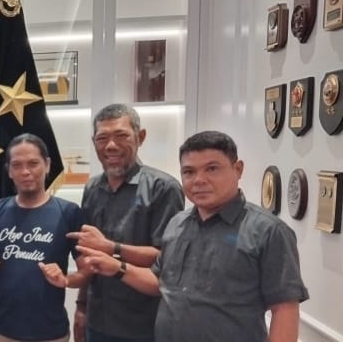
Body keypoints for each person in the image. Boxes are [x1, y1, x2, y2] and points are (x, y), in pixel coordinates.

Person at [78, 130, 309, 342]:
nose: (199, 180)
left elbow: (284, 309)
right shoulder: (177, 224)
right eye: (189, 172)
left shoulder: (269, 231)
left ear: (237, 169)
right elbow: (159, 282)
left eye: (212, 169)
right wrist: (115, 267)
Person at [69, 103, 184, 342]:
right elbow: (89, 255)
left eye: (121, 135)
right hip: (98, 319)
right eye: (102, 138)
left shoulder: (163, 188)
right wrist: (81, 306)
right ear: (94, 142)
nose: (111, 145)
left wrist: (112, 248)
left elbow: (166, 258)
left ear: (140, 137)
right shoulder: (92, 188)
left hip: (144, 325)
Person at [0, 133, 88, 342]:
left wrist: (66, 280)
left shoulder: (69, 213)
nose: (25, 171)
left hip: (50, 332)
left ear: (47, 165)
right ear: (9, 171)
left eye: (33, 163)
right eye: (17, 165)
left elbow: (87, 271)